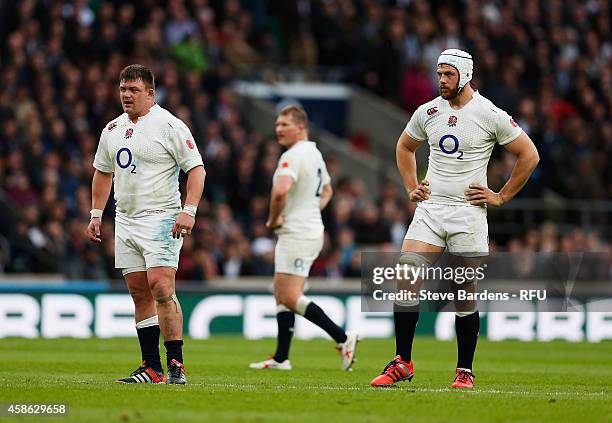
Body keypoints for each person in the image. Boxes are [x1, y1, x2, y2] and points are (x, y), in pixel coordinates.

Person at [369, 49, 539, 389]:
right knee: (406, 275)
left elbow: (529, 154)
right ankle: (402, 361)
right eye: (439, 74)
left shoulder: (489, 113)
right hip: (431, 209)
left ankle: (465, 371)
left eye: (448, 75)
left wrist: (501, 196)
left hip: (468, 214)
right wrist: (411, 187)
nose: (442, 81)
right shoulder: (428, 111)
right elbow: (405, 147)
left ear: (464, 75)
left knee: (464, 291)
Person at [86, 64, 205, 384]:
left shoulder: (170, 125)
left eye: (134, 90)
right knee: (140, 294)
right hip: (125, 219)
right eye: (123, 89)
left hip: (162, 217)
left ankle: (176, 363)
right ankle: (152, 368)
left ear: (150, 94)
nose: (126, 95)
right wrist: (97, 214)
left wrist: (189, 210)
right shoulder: (111, 129)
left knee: (161, 287)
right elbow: (102, 171)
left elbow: (196, 170)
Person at [249, 105, 358, 371]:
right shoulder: (315, 153)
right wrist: (311, 210)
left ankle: (343, 338)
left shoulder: (294, 155)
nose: (278, 129)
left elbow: (280, 191)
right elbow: (328, 191)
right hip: (306, 229)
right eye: (276, 125)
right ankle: (281, 357)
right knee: (280, 291)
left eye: (284, 124)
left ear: (301, 127)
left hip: (298, 232)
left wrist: (274, 218)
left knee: (289, 295)